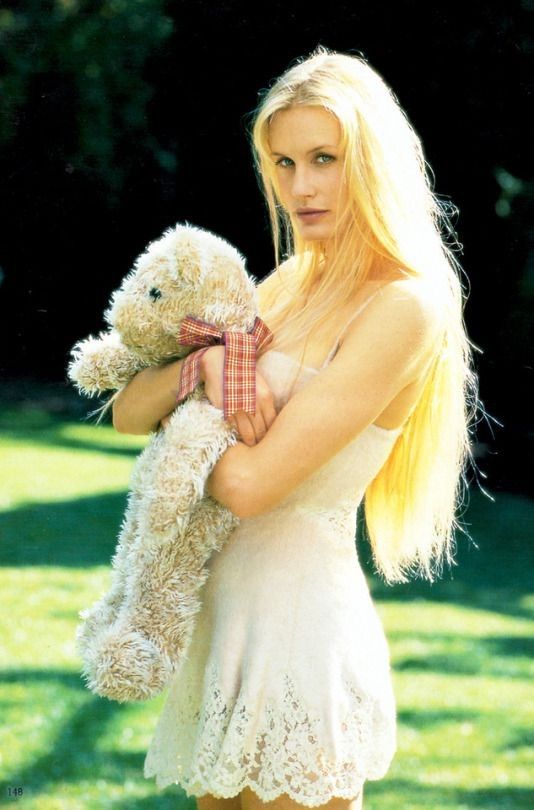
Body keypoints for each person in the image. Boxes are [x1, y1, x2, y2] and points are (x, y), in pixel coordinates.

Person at [113, 47, 479, 810]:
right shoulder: (283, 285)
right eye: (283, 162)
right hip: (224, 625)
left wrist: (186, 424)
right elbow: (125, 411)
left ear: (372, 161)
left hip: (299, 633)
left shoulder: (402, 307)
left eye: (325, 159)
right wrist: (199, 374)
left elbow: (247, 486)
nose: (301, 186)